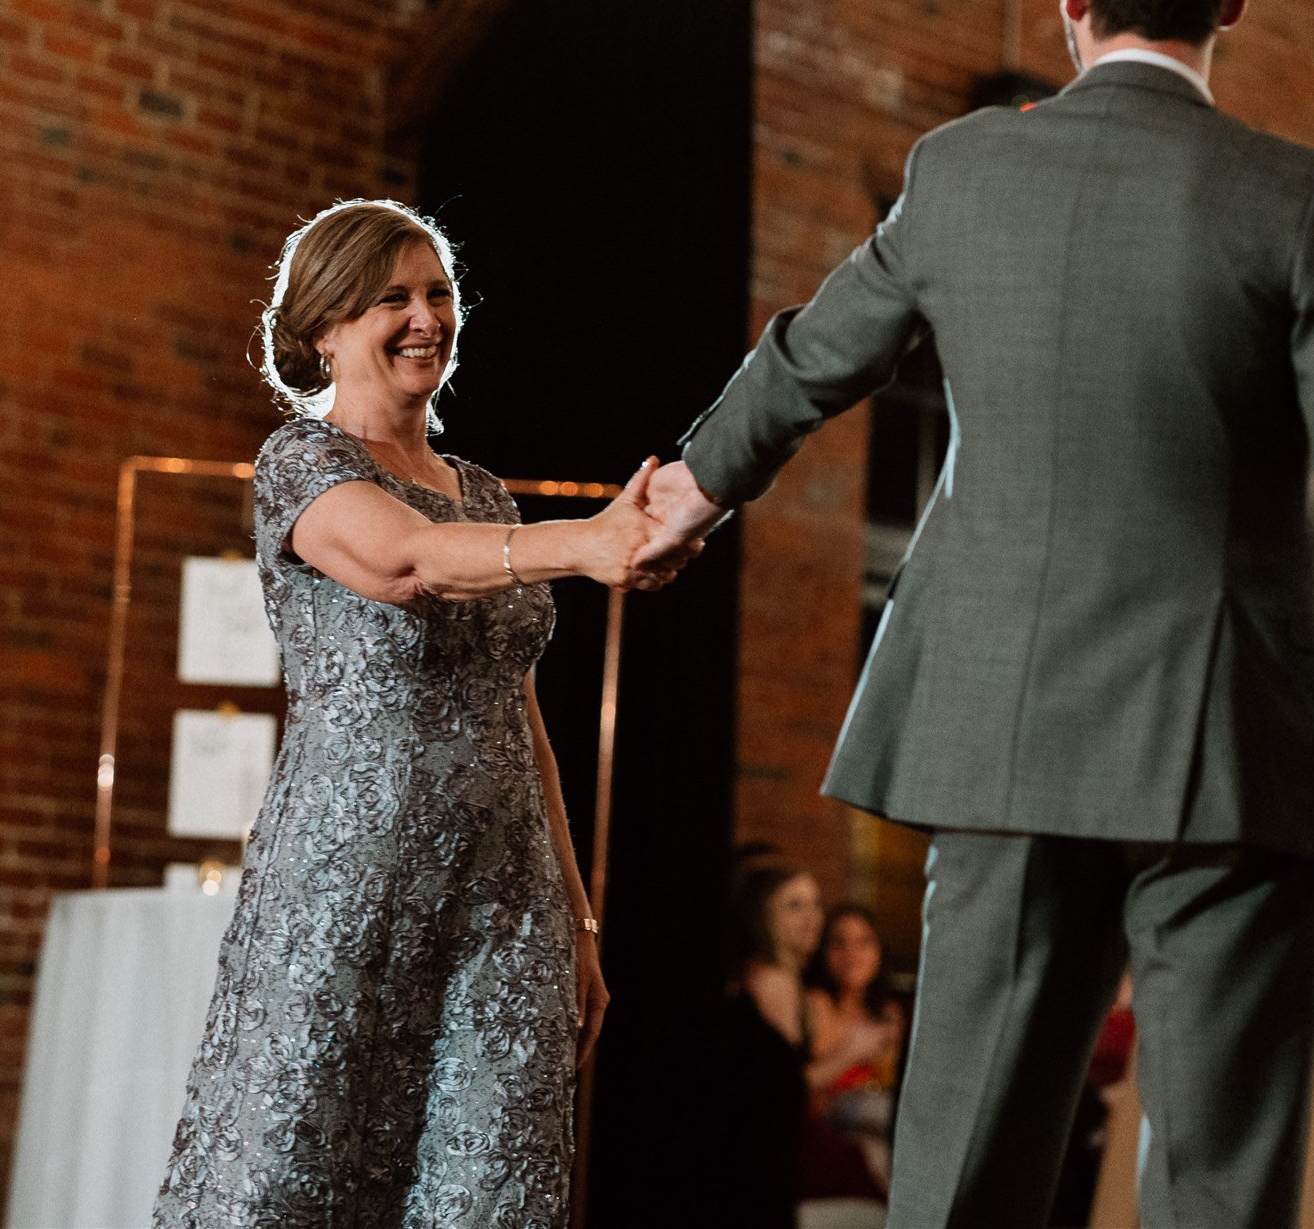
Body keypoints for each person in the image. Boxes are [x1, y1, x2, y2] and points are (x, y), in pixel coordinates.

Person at [632, 0, 1314, 1223]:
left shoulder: (959, 173)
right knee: (1216, 1196)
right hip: (1230, 762)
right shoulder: (1296, 199)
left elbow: (808, 362)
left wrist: (687, 492)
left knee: (959, 1186)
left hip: (1002, 741)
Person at [154, 199, 684, 1227]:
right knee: (297, 1169)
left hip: (503, 901)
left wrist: (575, 917)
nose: (424, 317)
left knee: (488, 1185)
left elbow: (519, 715)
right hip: (345, 891)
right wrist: (584, 544)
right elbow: (403, 563)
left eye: (437, 293)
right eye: (390, 297)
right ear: (324, 330)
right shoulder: (298, 465)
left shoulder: (483, 495)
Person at [703, 859, 826, 1229]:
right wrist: (856, 1048)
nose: (812, 917)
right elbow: (788, 1084)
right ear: (763, 916)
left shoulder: (793, 980)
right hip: (750, 1159)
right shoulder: (770, 980)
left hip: (773, 1154)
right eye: (794, 905)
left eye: (816, 904)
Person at [803, 905, 907, 1195]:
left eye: (864, 942)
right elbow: (801, 1085)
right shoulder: (817, 1004)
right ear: (824, 951)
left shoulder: (887, 1011)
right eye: (839, 943)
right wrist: (854, 1049)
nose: (853, 953)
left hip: (881, 1124)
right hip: (834, 1129)